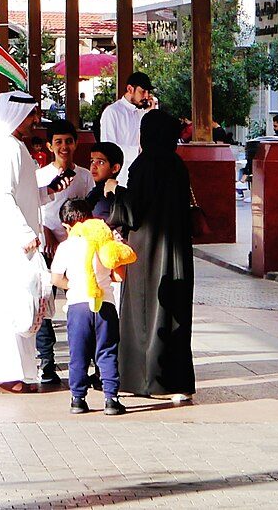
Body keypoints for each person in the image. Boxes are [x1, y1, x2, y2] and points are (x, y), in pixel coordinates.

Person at [108, 108, 195, 402]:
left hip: (147, 251)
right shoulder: (177, 165)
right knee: (176, 313)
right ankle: (177, 383)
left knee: (146, 311)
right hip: (178, 251)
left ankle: (147, 380)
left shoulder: (144, 165)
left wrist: (114, 191)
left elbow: (134, 210)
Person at [0, 91, 47, 392]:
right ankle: (6, 373)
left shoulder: (7, 145)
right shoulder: (7, 148)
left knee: (1, 302)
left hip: (4, 238)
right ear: (15, 115)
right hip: (10, 240)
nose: (35, 121)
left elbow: (20, 192)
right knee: (11, 303)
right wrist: (25, 233)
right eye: (31, 116)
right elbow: (1, 195)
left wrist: (48, 192)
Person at [49, 201, 125, 415]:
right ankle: (111, 399)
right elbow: (118, 276)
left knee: (78, 354)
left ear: (66, 226)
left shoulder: (65, 246)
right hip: (105, 305)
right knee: (107, 352)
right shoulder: (105, 243)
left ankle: (78, 399)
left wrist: (72, 285)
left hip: (77, 306)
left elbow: (56, 278)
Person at [34, 119, 94, 387]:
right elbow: (33, 211)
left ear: (76, 143)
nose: (64, 146)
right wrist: (45, 232)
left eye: (68, 141)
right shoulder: (40, 176)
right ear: (49, 146)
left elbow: (90, 211)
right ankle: (46, 362)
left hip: (77, 251)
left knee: (85, 302)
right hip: (48, 249)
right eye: (58, 141)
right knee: (45, 304)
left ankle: (87, 361)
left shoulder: (85, 176)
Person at [97, 72, 157, 177]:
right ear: (130, 89)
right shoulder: (112, 112)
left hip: (142, 175)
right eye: (142, 91)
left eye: (148, 92)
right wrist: (138, 151)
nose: (146, 96)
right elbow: (108, 149)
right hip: (121, 177)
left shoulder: (142, 113)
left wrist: (152, 113)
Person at [79, 141, 126, 218]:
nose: (93, 166)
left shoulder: (115, 198)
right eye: (92, 161)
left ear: (115, 168)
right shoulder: (93, 192)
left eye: (100, 162)